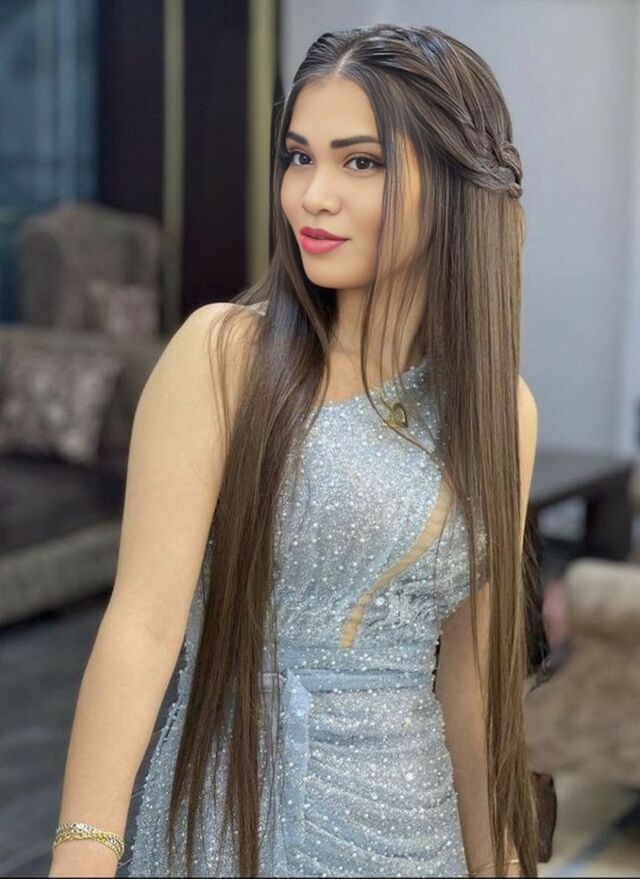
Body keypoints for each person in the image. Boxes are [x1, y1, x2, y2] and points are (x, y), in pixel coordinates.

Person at [49, 22, 540, 879]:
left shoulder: (503, 412)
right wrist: (82, 854)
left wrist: (500, 860)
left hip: (411, 831)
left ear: (456, 182)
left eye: (361, 162)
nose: (312, 195)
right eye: (298, 157)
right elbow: (143, 625)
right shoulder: (224, 354)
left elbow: (473, 682)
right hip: (233, 818)